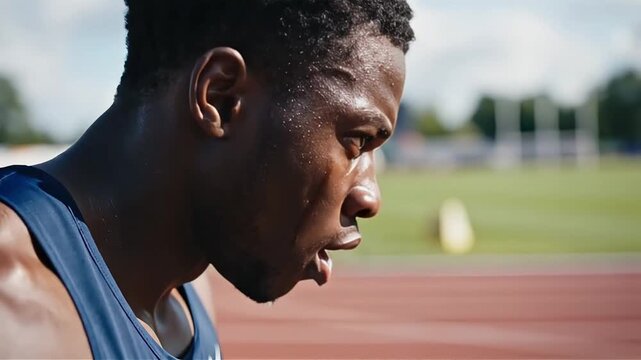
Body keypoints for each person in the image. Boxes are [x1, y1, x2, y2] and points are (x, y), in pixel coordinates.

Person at [0, 0, 414, 358]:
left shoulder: (190, 289)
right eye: (357, 141)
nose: (370, 197)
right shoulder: (13, 310)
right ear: (221, 97)